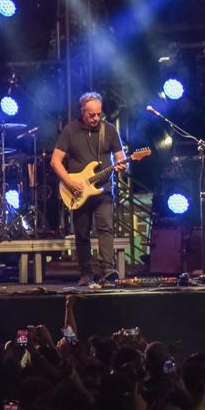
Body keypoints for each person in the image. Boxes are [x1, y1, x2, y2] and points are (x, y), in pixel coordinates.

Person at [50, 91, 127, 287]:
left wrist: (123, 165)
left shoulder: (109, 130)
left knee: (105, 228)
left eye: (98, 114)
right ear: (82, 111)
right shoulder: (70, 131)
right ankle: (86, 273)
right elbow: (55, 161)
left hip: (104, 190)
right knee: (82, 232)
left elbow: (120, 158)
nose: (95, 118)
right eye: (91, 114)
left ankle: (108, 272)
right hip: (77, 190)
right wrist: (69, 182)